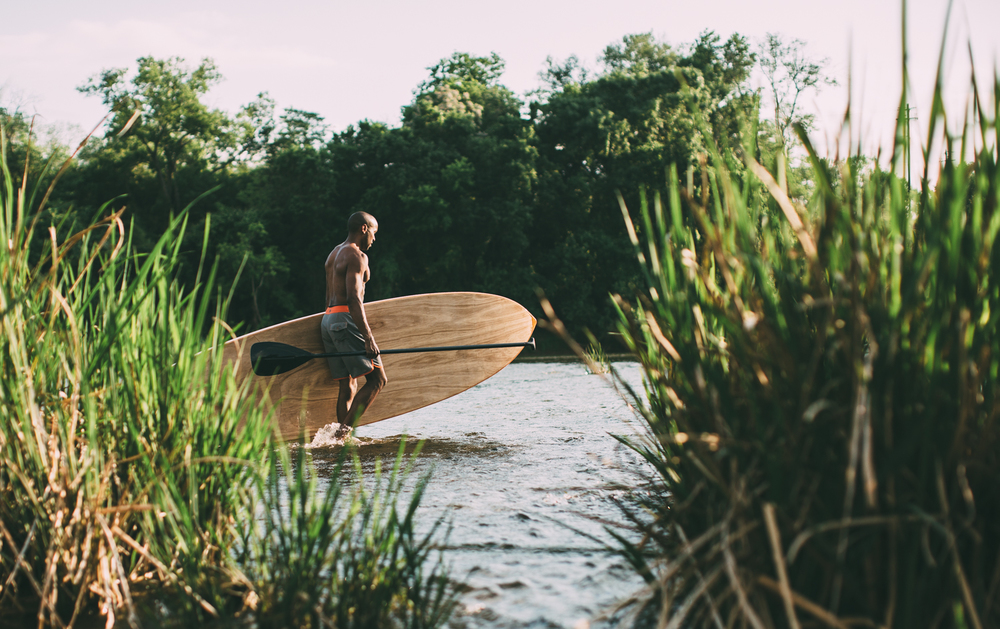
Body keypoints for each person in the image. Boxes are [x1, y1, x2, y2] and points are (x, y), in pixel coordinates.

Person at [321, 211, 387, 429]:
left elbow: (330, 294)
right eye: (374, 233)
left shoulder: (333, 254)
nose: (374, 239)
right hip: (345, 319)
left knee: (348, 384)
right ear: (364, 229)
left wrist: (332, 327)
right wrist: (368, 338)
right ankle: (342, 436)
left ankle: (341, 446)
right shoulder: (357, 256)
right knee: (378, 380)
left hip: (328, 319)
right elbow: (353, 298)